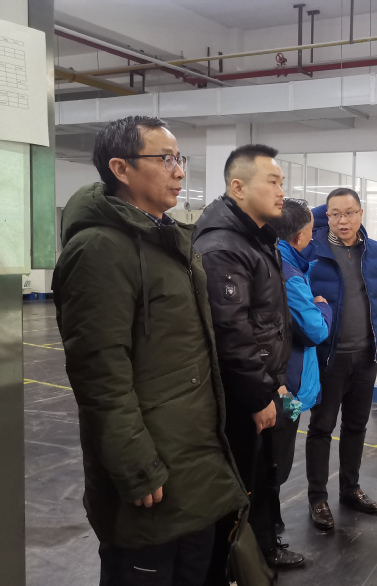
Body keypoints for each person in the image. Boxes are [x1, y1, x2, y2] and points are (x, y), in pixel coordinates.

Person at [52, 115, 249, 586]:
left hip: (193, 464)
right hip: (152, 475)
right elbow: (100, 375)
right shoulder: (99, 250)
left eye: (179, 159)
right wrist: (137, 468)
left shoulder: (168, 241)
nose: (179, 171)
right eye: (165, 159)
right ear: (120, 168)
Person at [193, 144, 304, 574]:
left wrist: (276, 380)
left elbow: (267, 321)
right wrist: (259, 395)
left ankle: (260, 556)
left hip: (263, 383)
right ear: (238, 187)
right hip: (239, 397)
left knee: (261, 476)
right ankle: (233, 569)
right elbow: (230, 333)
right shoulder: (222, 246)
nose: (281, 191)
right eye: (272, 182)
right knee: (239, 485)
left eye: (282, 182)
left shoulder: (258, 238)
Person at [304, 188, 377, 531]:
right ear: (325, 215)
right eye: (334, 214)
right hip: (328, 357)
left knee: (357, 426)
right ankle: (317, 497)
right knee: (321, 427)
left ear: (361, 214)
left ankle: (350, 489)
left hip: (365, 355)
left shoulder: (376, 251)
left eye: (349, 213)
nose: (342, 221)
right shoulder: (312, 249)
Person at [268, 198, 333, 532]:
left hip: (280, 381)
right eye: (311, 230)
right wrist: (323, 307)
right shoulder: (290, 274)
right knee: (276, 463)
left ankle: (268, 527)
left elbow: (314, 215)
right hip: (287, 387)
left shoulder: (276, 255)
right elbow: (315, 330)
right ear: (299, 237)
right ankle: (267, 536)